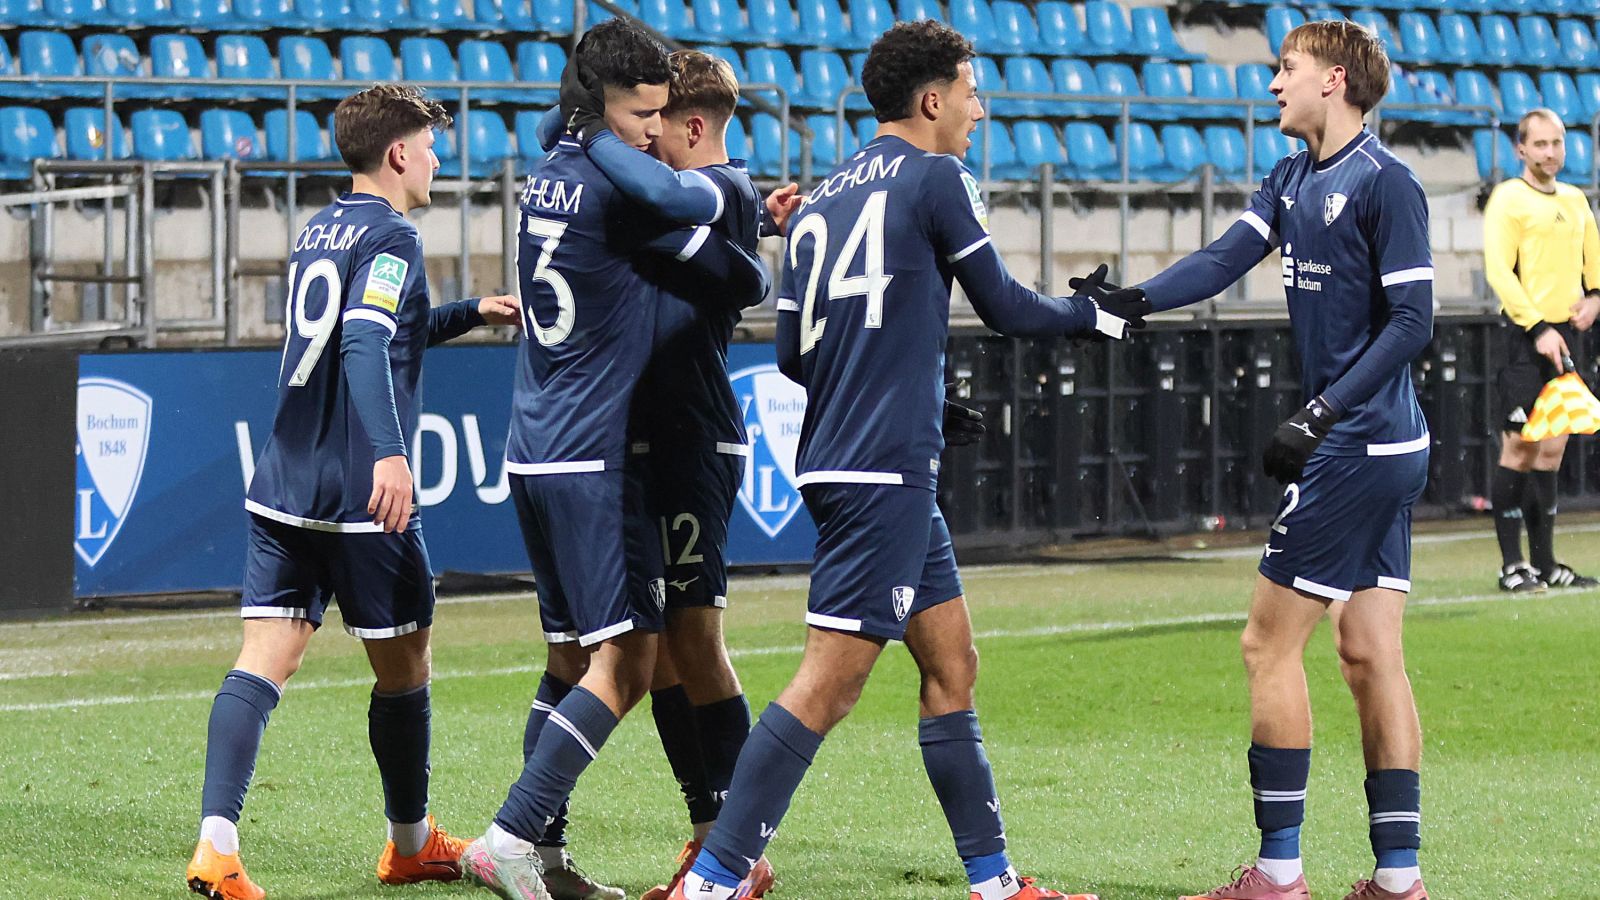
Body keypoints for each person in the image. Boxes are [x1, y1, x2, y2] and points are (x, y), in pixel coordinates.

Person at [662, 20, 1148, 900]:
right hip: (880, 467)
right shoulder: (937, 178)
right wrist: (1092, 314)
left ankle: (995, 882)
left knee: (952, 666)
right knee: (828, 685)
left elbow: (794, 356)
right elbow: (1005, 306)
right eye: (970, 91)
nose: (978, 109)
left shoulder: (826, 196)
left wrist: (916, 392)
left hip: (849, 456)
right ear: (931, 100)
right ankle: (715, 879)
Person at [1074, 20, 1434, 900]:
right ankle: (1399, 881)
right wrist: (1134, 301)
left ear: (1334, 79)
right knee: (1370, 652)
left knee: (1267, 645)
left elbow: (1413, 322)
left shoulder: (1387, 182)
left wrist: (1322, 412)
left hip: (1356, 443)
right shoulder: (1291, 177)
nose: (1274, 83)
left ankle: (1278, 875)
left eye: (1288, 67)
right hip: (1382, 443)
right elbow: (1225, 258)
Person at [457, 20, 771, 900]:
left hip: (595, 443)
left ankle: (685, 849)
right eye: (641, 116)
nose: (651, 133)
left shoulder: (562, 177)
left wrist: (590, 127)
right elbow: (740, 271)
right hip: (603, 450)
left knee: (621, 653)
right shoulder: (627, 189)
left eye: (662, 118)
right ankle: (523, 839)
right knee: (632, 658)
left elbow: (739, 272)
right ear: (606, 110)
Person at [185, 83, 522, 900]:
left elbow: (374, 326)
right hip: (357, 494)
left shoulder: (322, 226)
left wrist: (468, 312)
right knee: (407, 664)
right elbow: (366, 343)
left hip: (284, 482)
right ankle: (410, 845)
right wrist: (390, 455)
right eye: (430, 146)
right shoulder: (394, 234)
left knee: (264, 659)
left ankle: (216, 847)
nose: (437, 160)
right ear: (398, 153)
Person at [1482, 107, 1600, 593]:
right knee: (1520, 446)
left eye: (1557, 143)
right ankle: (1512, 565)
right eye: (1541, 144)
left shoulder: (1575, 199)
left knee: (1553, 448)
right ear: (1521, 149)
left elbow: (1593, 261)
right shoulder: (1509, 198)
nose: (1550, 152)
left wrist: (1595, 298)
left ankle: (1546, 563)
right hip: (1524, 336)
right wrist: (1536, 327)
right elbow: (1499, 270)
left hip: (1568, 334)